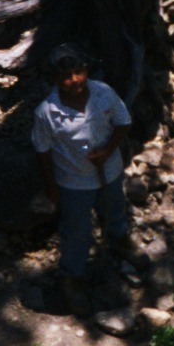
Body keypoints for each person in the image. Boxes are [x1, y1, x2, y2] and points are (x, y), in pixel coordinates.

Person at [30, 44, 135, 310]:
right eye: (66, 76)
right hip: (73, 182)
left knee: (114, 208)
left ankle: (119, 241)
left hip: (109, 171)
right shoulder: (46, 113)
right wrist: (52, 188)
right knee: (77, 230)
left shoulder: (104, 93)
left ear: (87, 70)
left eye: (79, 71)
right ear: (54, 80)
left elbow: (123, 123)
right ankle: (72, 276)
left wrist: (108, 150)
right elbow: (42, 151)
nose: (74, 80)